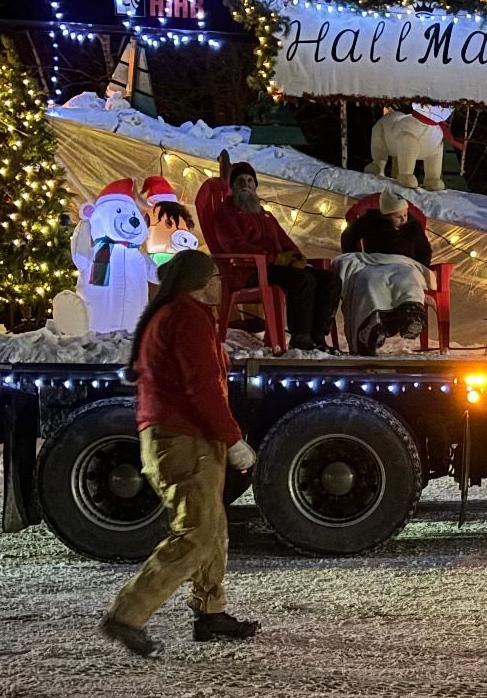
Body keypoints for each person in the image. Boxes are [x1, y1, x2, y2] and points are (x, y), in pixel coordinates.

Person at [99, 252, 259, 660]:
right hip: (184, 437)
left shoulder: (176, 312)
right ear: (202, 281)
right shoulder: (186, 316)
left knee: (211, 524)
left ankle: (210, 611)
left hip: (180, 436)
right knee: (197, 531)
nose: (221, 283)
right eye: (217, 276)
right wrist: (233, 438)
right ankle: (127, 614)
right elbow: (202, 387)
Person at [211, 159, 341, 352]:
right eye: (240, 181)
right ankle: (300, 337)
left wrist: (296, 256)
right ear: (233, 186)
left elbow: (284, 239)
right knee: (302, 280)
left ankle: (318, 335)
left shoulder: (264, 214)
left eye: (249, 181)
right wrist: (274, 258)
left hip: (274, 267)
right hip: (247, 270)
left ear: (255, 185)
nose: (246, 185)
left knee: (330, 279)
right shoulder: (225, 214)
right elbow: (235, 245)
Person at [335, 191, 433, 354]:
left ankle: (411, 314)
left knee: (408, 278)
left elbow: (424, 251)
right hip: (375, 264)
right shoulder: (370, 222)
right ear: (385, 215)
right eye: (397, 216)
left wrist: (419, 266)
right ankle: (372, 323)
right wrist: (355, 256)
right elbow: (348, 236)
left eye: (405, 215)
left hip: (404, 264)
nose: (403, 219)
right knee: (369, 281)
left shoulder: (413, 226)